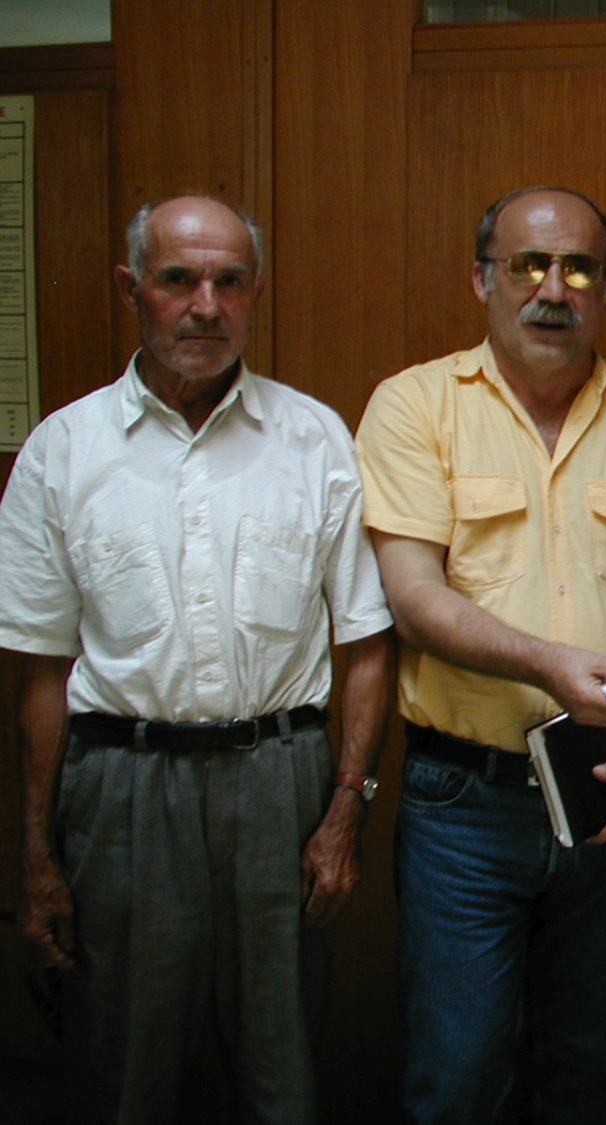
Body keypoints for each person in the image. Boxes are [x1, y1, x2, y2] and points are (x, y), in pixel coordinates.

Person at [0, 194, 396, 1124]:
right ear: (131, 289)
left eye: (229, 281)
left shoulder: (315, 439)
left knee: (280, 1063)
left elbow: (368, 648)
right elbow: (41, 674)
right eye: (179, 280)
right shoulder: (64, 451)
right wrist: (35, 857)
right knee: (124, 1063)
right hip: (123, 787)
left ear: (255, 292)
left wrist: (344, 810)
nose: (205, 306)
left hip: (282, 784)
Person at [354, 186, 606, 1125]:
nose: (553, 287)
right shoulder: (414, 407)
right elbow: (412, 598)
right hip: (464, 808)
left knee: (591, 1075)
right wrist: (546, 663)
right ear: (482, 276)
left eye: (579, 267)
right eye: (529, 264)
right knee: (455, 1079)